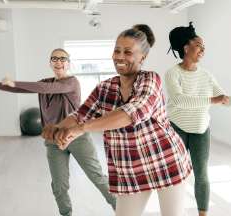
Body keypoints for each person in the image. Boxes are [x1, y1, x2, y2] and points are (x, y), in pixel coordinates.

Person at [42, 25, 192, 216]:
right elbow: (80, 115)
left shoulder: (151, 80)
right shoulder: (104, 88)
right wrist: (57, 128)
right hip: (130, 169)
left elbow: (130, 114)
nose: (119, 56)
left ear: (142, 58)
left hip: (166, 162)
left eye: (128, 52)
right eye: (117, 51)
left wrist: (80, 129)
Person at [0, 48, 116, 216]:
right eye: (54, 59)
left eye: (63, 59)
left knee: (97, 178)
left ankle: (120, 208)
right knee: (59, 186)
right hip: (53, 139)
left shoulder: (72, 83)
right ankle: (66, 213)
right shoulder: (45, 83)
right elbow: (22, 89)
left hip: (77, 137)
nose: (59, 62)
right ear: (50, 63)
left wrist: (15, 82)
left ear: (68, 63)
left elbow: (48, 88)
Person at [165, 22, 231, 216]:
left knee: (201, 174)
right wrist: (212, 100)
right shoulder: (173, 73)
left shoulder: (206, 76)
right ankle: (173, 211)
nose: (203, 49)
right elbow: (179, 100)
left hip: (201, 130)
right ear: (186, 47)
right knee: (176, 175)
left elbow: (224, 100)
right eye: (199, 45)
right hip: (177, 128)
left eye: (204, 47)